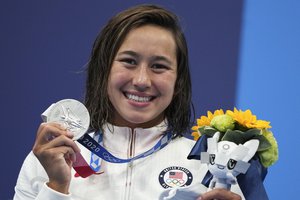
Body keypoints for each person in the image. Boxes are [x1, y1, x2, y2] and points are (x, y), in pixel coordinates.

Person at [14, 4, 242, 200]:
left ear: (178, 81)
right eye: (129, 61)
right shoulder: (49, 158)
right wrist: (56, 187)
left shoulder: (212, 167)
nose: (142, 80)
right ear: (104, 69)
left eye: (159, 66)